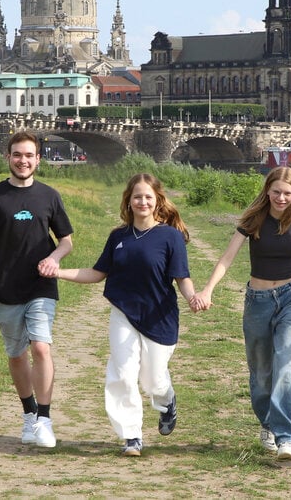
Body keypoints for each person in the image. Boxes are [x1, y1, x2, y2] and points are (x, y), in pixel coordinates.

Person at [192, 166, 291, 461]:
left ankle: (288, 439)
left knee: (286, 362)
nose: (281, 198)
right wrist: (208, 289)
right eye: (276, 192)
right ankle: (268, 424)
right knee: (261, 373)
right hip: (258, 300)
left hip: (290, 297)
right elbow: (227, 257)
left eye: (287, 193)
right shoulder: (254, 219)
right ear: (267, 191)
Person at [49, 173, 195, 457]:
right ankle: (131, 436)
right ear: (128, 201)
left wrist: (194, 298)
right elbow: (97, 273)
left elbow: (182, 277)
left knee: (153, 380)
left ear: (157, 201)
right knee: (123, 373)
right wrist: (58, 272)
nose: (142, 201)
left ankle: (166, 401)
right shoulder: (118, 236)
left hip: (158, 316)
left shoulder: (170, 236)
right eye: (136, 197)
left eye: (147, 197)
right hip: (123, 313)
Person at [0, 131, 74, 448]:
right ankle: (28, 414)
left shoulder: (49, 196)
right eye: (17, 155)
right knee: (17, 355)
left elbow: (66, 240)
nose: (23, 161)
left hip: (41, 286)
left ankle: (44, 419)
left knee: (41, 348)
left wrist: (54, 258)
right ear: (8, 158)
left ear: (38, 159)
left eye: (29, 155)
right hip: (4, 287)